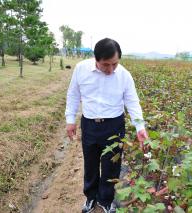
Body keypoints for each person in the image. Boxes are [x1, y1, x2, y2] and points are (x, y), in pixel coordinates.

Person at [65, 38, 148, 213]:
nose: (110, 69)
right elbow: (73, 95)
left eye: (115, 64)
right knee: (91, 164)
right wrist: (70, 120)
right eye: (106, 65)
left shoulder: (124, 75)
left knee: (111, 166)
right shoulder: (81, 69)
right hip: (89, 124)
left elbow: (132, 102)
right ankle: (91, 197)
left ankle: (106, 200)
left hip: (114, 126)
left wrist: (140, 127)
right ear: (96, 59)